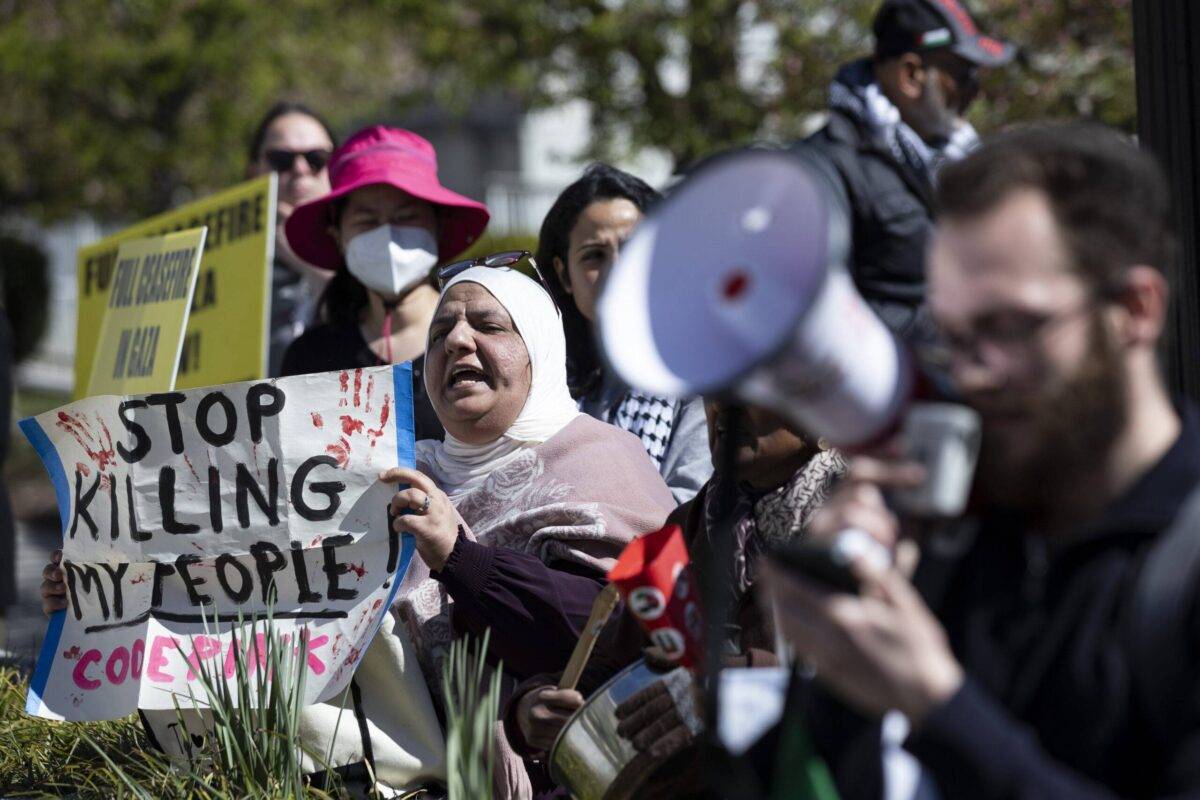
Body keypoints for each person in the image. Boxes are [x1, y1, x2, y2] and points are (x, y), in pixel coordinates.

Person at [41, 265, 675, 798]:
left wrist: (461, 557)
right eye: (440, 333)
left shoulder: (602, 463)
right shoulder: (393, 472)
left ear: (542, 346)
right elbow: (250, 579)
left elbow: (616, 626)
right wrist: (108, 591)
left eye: (487, 325)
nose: (456, 342)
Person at [762, 124, 1200, 798]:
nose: (974, 375)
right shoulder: (970, 534)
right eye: (953, 337)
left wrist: (937, 704)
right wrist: (841, 639)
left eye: (1009, 328)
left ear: (1134, 311)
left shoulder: (1182, 562)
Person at [505, 401, 845, 796]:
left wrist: (741, 683)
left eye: (749, 384)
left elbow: (875, 690)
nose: (723, 402)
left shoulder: (865, 524)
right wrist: (536, 708)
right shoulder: (689, 527)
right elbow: (619, 665)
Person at [804, 0, 1013, 342]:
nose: (974, 93)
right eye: (962, 77)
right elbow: (821, 320)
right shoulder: (822, 170)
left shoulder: (953, 160)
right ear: (911, 76)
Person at [280, 124, 491, 442]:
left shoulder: (483, 340)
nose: (387, 234)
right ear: (337, 235)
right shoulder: (310, 359)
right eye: (366, 221)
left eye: (406, 217)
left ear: (437, 225)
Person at [537, 164, 712, 503]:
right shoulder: (549, 385)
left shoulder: (696, 376)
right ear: (564, 275)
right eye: (594, 256)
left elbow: (687, 508)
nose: (618, 270)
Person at [245, 102, 337, 376]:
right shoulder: (226, 261)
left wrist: (305, 257)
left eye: (316, 158)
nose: (299, 169)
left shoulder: (367, 248)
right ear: (253, 173)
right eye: (281, 160)